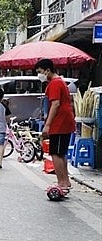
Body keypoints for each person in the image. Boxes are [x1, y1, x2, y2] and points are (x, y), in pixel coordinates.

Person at [35, 58, 75, 192]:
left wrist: (47, 125)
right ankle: (66, 182)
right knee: (61, 152)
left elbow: (55, 104)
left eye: (40, 72)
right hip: (65, 121)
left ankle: (61, 183)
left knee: (55, 153)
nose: (39, 75)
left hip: (60, 122)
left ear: (47, 70)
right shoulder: (59, 82)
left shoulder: (54, 84)